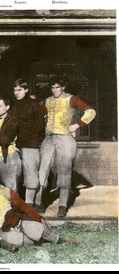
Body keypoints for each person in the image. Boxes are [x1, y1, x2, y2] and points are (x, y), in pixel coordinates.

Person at [0, 167, 78, 247]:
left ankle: (59, 239)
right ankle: (39, 241)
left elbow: (24, 206)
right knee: (17, 240)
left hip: (15, 222)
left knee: (36, 228)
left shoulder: (7, 191)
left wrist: (41, 219)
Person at [35, 78, 96, 217]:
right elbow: (39, 115)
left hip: (64, 137)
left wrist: (77, 125)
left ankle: (62, 205)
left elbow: (91, 112)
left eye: (57, 87)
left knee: (64, 170)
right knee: (42, 170)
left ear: (63, 87)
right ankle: (38, 203)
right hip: (49, 138)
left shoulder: (71, 99)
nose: (55, 90)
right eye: (52, 87)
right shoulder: (48, 100)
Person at [9, 79, 45, 207]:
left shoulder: (33, 104)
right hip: (16, 144)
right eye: (15, 90)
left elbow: (40, 124)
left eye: (19, 90)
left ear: (26, 90)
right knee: (16, 173)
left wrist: (35, 141)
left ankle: (29, 204)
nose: (17, 93)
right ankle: (16, 202)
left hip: (30, 144)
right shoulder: (13, 105)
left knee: (31, 173)